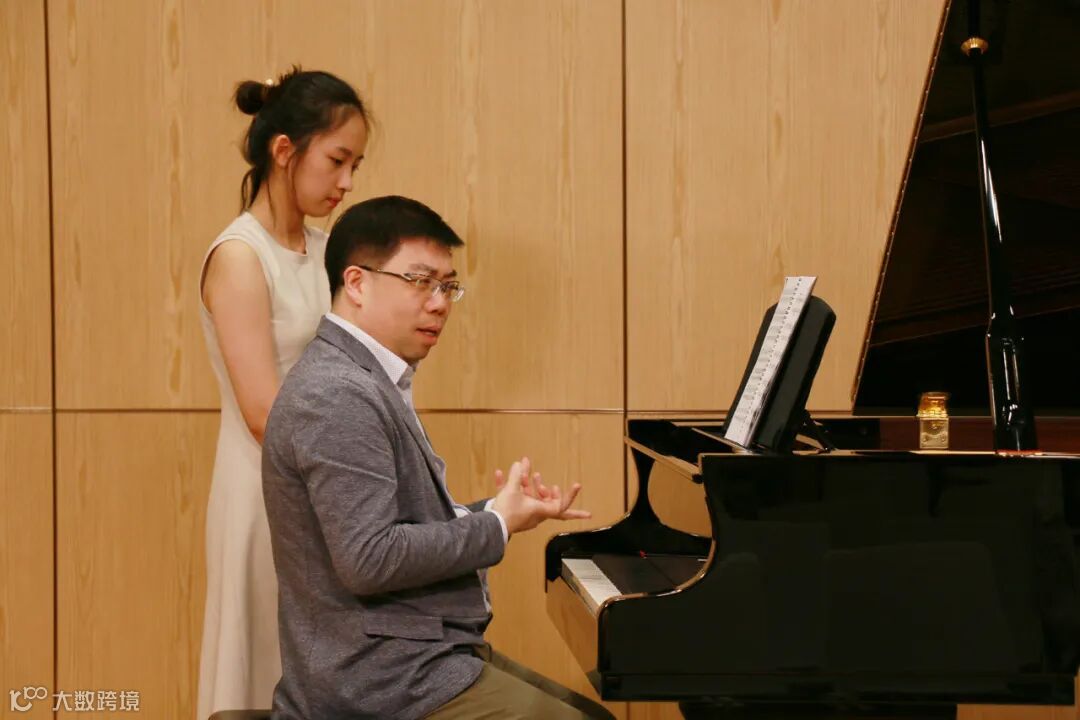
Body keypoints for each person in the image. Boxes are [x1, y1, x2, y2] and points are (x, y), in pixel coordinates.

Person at [262, 196, 615, 719]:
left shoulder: (363, 377)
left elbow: (392, 528)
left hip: (411, 653)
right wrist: (495, 526)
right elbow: (370, 559)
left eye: (448, 286)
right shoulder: (336, 393)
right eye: (420, 281)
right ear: (357, 283)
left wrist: (497, 511)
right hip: (376, 676)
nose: (440, 303)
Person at [196, 67, 371, 719]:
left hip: (321, 488)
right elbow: (265, 413)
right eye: (336, 161)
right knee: (264, 675)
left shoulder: (327, 251)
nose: (347, 182)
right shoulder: (240, 256)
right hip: (265, 492)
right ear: (284, 151)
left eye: (355, 165)